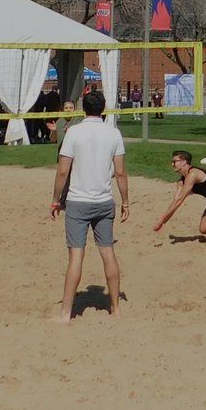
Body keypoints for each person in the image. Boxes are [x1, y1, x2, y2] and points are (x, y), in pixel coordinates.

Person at [52, 89, 129, 321]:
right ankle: (115, 309)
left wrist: (55, 199)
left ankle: (66, 314)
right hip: (104, 201)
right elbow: (121, 172)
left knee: (76, 257)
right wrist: (126, 201)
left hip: (77, 202)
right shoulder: (114, 133)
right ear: (103, 109)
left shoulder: (74, 132)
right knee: (108, 252)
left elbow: (63, 170)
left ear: (83, 109)